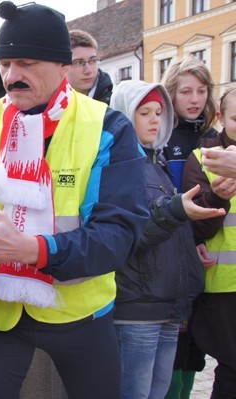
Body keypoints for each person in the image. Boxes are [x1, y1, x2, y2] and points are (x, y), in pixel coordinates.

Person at [0, 2, 150, 398]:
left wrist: (34, 249)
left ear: (62, 67)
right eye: (6, 64)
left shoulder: (107, 127)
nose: (11, 77)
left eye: (26, 63)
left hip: (80, 313)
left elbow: (121, 233)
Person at [110, 80, 221, 398]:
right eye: (144, 112)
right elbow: (130, 235)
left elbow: (171, 229)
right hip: (137, 308)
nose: (155, 119)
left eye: (159, 112)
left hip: (167, 306)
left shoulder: (154, 164)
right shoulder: (119, 166)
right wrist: (175, 210)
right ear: (124, 115)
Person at [160, 57, 219, 399]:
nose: (194, 99)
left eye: (201, 91)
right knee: (172, 352)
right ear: (172, 94)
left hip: (206, 253)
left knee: (194, 353)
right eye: (186, 92)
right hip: (171, 249)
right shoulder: (163, 136)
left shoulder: (213, 137)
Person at [182, 85, 236, 398]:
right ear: (220, 117)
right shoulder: (204, 157)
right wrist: (219, 197)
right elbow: (196, 228)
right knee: (231, 367)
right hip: (222, 286)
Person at [67, 29, 113, 105]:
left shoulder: (115, 104)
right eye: (79, 62)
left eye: (93, 60)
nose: (88, 71)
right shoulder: (49, 106)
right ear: (62, 66)